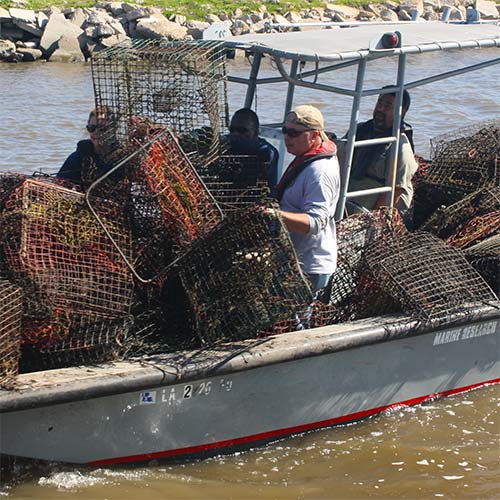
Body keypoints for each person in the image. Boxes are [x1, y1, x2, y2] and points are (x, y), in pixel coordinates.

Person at [274, 105, 340, 294]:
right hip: (295, 261)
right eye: (285, 131)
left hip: (310, 266)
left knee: (294, 323)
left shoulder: (318, 172)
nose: (287, 137)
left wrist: (275, 215)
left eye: (294, 133)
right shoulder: (305, 159)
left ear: (314, 135)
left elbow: (315, 222)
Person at [347, 89, 418, 217]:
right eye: (379, 103)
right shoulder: (361, 130)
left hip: (380, 205)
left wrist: (373, 221)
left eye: (387, 106)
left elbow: (395, 191)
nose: (380, 109)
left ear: (402, 112)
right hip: (352, 196)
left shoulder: (400, 144)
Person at [57, 107, 115, 186]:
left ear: (114, 129)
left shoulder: (124, 157)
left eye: (102, 128)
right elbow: (60, 184)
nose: (96, 132)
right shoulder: (78, 157)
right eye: (92, 128)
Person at [226, 108, 280, 189]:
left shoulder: (267, 151)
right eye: (232, 130)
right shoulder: (226, 145)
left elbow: (268, 152)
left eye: (242, 131)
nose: (235, 134)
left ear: (256, 133)